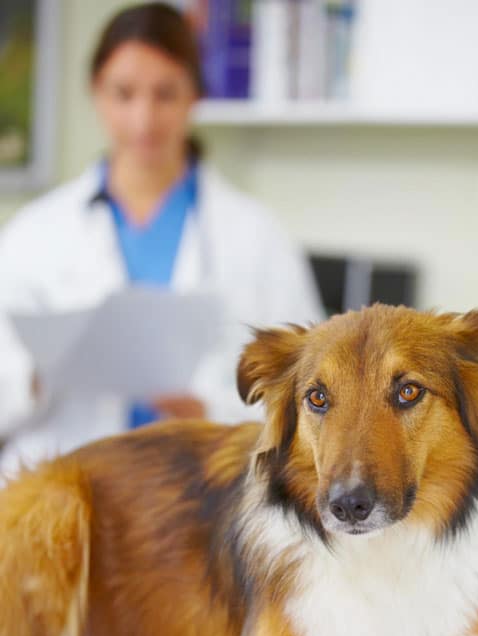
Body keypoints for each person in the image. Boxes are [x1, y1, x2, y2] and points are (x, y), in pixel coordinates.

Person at [0, 2, 322, 476]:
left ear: (195, 94)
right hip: (58, 484)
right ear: (96, 93)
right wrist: (35, 375)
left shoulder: (257, 237)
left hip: (200, 489)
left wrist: (205, 408)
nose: (143, 120)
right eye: (123, 94)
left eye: (165, 94)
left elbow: (312, 397)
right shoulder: (35, 233)